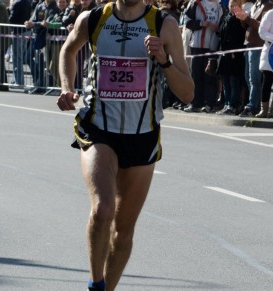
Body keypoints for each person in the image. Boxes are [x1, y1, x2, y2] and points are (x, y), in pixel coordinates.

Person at [57, 1, 194, 290]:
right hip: (98, 129)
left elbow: (188, 93)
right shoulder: (93, 19)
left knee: (122, 231)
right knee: (103, 210)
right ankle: (95, 284)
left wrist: (164, 61)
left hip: (142, 134)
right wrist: (66, 86)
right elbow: (68, 49)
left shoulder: (164, 25)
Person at [184, 0, 225, 113]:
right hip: (197, 45)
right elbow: (187, 22)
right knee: (196, 74)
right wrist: (201, 23)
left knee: (210, 75)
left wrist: (217, 28)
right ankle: (195, 103)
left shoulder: (220, 6)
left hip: (212, 46)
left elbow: (222, 26)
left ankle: (209, 104)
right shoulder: (195, 3)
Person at [235, 0, 273, 117]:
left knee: (254, 78)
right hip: (249, 43)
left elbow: (261, 26)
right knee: (248, 77)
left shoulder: (268, 5)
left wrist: (247, 18)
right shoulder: (256, 5)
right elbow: (249, 24)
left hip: (257, 44)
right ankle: (253, 103)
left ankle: (253, 106)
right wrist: (242, 18)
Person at [216, 0, 247, 115]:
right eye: (230, 6)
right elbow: (220, 33)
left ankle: (233, 104)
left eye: (235, 6)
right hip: (225, 53)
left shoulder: (241, 18)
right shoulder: (226, 17)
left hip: (235, 54)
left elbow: (240, 36)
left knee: (234, 81)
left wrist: (235, 51)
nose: (232, 8)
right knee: (225, 81)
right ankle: (227, 103)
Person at [9, 0, 32, 88]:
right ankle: (15, 79)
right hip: (26, 31)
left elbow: (12, 18)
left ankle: (19, 81)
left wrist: (10, 10)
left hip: (18, 32)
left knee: (17, 57)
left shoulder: (17, 3)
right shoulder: (27, 2)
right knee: (19, 56)